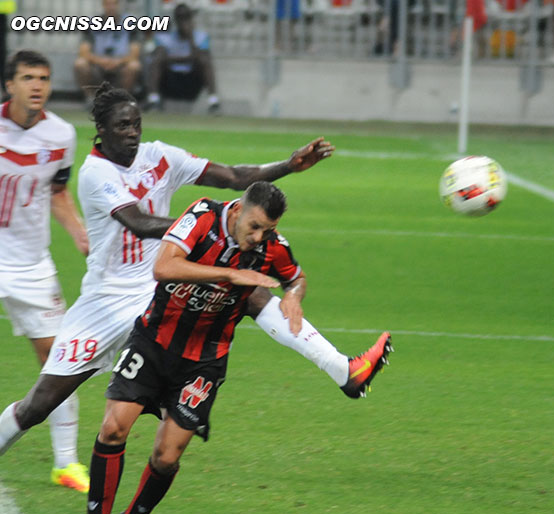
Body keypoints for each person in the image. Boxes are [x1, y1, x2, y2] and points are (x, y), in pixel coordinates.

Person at [0, 83, 391, 474]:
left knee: (247, 289)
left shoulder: (161, 157)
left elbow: (235, 177)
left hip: (160, 287)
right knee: (41, 402)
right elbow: (137, 222)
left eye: (136, 123)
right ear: (101, 129)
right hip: (106, 302)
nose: (133, 132)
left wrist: (289, 165)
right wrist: (205, 229)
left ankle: (344, 370)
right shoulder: (94, 172)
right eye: (123, 125)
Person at [80, 182, 382, 514]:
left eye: (267, 230)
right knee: (114, 428)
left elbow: (296, 275)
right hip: (154, 342)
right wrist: (229, 273)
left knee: (167, 457)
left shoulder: (270, 244)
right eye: (254, 226)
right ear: (239, 209)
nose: (258, 237)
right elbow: (164, 266)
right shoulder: (204, 215)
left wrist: (294, 295)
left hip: (204, 361)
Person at [0, 50, 90, 492]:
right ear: (9, 85)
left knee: (60, 357)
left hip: (30, 265)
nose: (37, 85)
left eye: (44, 78)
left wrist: (79, 232)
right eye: (27, 77)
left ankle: (65, 462)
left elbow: (59, 192)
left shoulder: (61, 134)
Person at [145, 3, 220, 114]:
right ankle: (153, 100)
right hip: (171, 80)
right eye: (180, 18)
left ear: (191, 19)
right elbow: (159, 58)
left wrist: (190, 39)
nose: (183, 21)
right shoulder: (165, 38)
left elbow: (199, 58)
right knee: (156, 59)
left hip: (192, 80)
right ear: (175, 20)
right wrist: (187, 58)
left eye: (186, 17)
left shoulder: (201, 37)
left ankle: (213, 102)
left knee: (204, 60)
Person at [73, 0, 142, 107]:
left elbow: (135, 53)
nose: (111, 7)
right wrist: (101, 61)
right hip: (98, 65)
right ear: (103, 5)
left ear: (118, 5)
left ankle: (122, 99)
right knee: (80, 63)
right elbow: (83, 52)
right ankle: (90, 98)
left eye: (114, 4)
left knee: (134, 65)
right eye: (108, 4)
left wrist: (117, 62)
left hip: (121, 65)